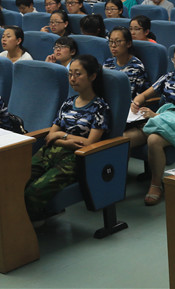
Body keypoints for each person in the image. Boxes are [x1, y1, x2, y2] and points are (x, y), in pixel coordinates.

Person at [24, 55, 110, 225]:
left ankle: (28, 223)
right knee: (16, 180)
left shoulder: (100, 108)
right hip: (50, 151)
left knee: (34, 191)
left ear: (92, 76)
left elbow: (89, 143)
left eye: (78, 74)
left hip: (74, 159)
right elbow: (50, 135)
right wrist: (65, 140)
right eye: (70, 74)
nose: (72, 79)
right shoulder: (68, 103)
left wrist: (61, 136)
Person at [127, 41, 175, 206]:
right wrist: (136, 103)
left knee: (153, 140)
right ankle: (118, 181)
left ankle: (156, 184)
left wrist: (155, 115)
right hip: (158, 119)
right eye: (174, 61)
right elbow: (144, 95)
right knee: (124, 139)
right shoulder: (168, 77)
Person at [104, 27, 148, 98]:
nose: (113, 45)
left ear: (128, 44)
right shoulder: (108, 63)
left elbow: (138, 96)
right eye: (111, 41)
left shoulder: (137, 67)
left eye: (118, 41)